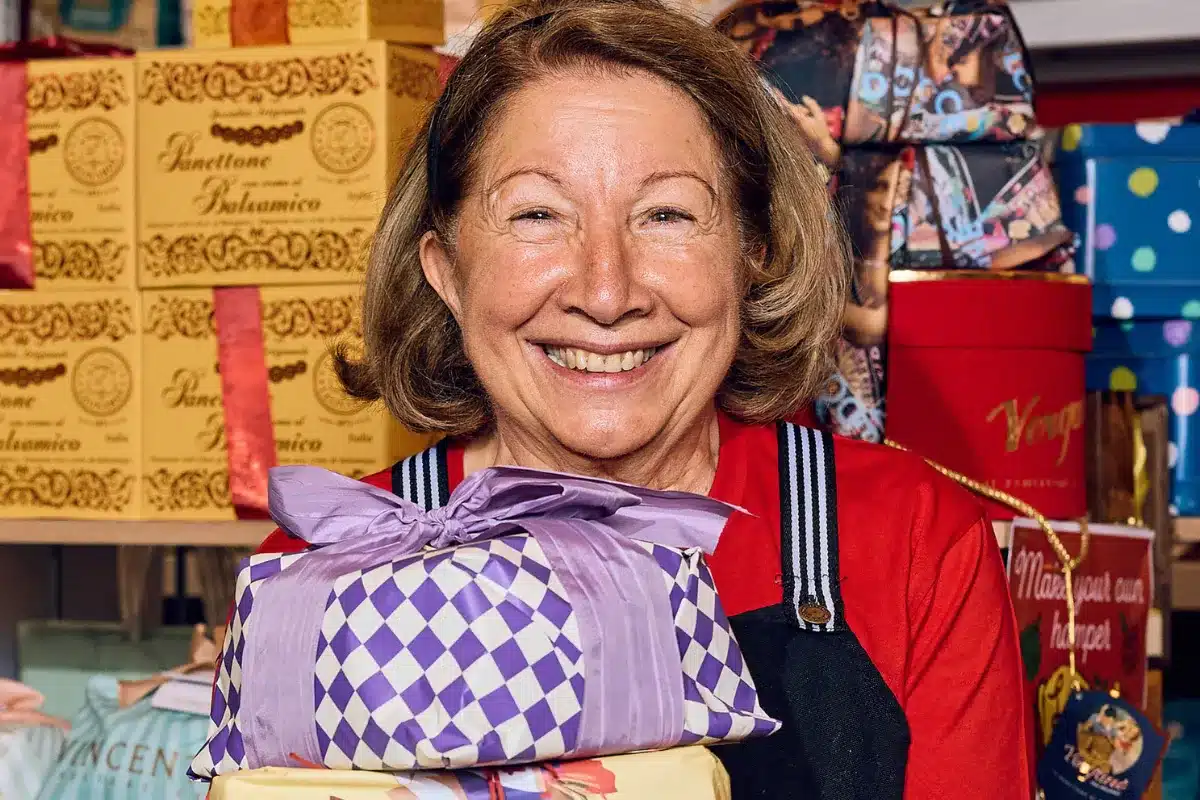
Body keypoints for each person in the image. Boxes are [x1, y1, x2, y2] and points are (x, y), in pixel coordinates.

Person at [254, 1, 1032, 797]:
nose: (605, 290)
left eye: (666, 214)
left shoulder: (909, 541)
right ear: (447, 272)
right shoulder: (319, 573)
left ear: (751, 254)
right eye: (536, 215)